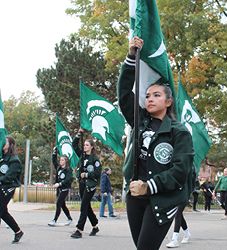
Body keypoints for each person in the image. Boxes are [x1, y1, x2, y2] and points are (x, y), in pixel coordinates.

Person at [117, 36, 194, 250]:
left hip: (162, 198)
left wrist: (148, 186)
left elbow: (181, 171)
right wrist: (131, 57)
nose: (149, 99)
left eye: (156, 95)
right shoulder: (140, 121)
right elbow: (124, 95)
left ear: (168, 101)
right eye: (148, 95)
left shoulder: (180, 133)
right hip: (135, 197)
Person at [71, 129, 101, 238]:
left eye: (87, 145)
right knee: (87, 206)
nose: (84, 146)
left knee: (83, 206)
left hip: (90, 186)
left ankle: (79, 230)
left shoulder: (95, 159)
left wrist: (87, 175)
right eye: (84, 145)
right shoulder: (82, 156)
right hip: (82, 184)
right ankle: (95, 225)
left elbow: (98, 173)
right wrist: (79, 134)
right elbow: (74, 145)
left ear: (91, 147)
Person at [0, 136, 24, 243]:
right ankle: (18, 231)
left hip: (8, 188)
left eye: (4, 141)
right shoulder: (2, 157)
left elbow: (8, 177)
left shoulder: (14, 160)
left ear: (10, 145)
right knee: (3, 212)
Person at [48, 147, 73, 226]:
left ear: (66, 161)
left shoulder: (68, 170)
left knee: (58, 203)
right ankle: (69, 218)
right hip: (59, 189)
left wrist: (60, 184)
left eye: (62, 160)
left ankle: (54, 220)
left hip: (64, 189)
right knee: (63, 205)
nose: (60, 161)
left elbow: (68, 179)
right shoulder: (59, 168)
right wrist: (54, 152)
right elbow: (54, 161)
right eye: (60, 160)